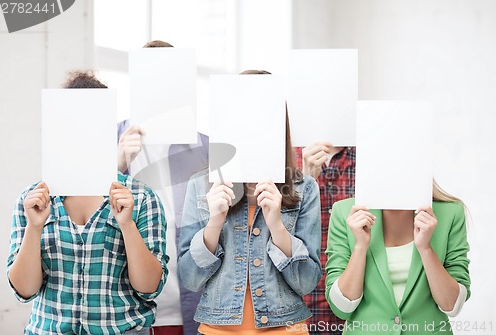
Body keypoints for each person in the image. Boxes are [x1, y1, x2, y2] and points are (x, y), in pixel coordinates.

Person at [7, 71, 168, 335]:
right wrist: (34, 228)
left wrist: (127, 226)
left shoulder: (141, 198)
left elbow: (149, 287)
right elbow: (25, 291)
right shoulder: (32, 201)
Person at [177, 69, 322, 334]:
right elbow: (189, 279)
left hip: (286, 327)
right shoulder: (201, 185)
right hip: (217, 328)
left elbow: (307, 282)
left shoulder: (305, 188)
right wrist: (213, 224)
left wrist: (277, 226)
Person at [118, 40, 208, 335]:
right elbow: (84, 215)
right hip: (126, 307)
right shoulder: (112, 139)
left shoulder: (204, 146)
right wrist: (118, 163)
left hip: (192, 304)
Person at [325, 181, 471, 335]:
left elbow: (452, 305)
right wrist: (360, 247)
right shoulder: (346, 212)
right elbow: (341, 307)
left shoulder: (450, 213)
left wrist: (426, 249)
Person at [294, 143, 355, 335]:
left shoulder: (371, 159)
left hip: (357, 300)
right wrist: (306, 182)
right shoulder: (283, 159)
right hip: (298, 301)